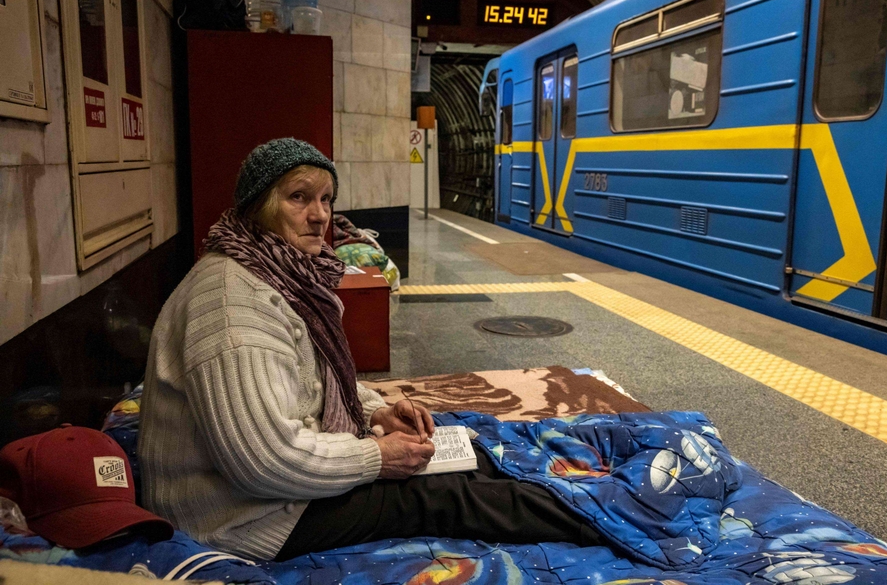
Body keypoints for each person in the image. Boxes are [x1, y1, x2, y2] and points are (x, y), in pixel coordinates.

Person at [139, 138, 601, 562]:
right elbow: (262, 462)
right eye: (298, 197)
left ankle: (570, 501)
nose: (319, 215)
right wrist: (377, 457)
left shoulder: (272, 274)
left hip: (264, 491)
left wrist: (375, 413)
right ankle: (609, 523)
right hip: (238, 517)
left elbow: (309, 381)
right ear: (257, 207)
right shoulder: (232, 307)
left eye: (325, 198)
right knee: (438, 496)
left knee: (464, 459)